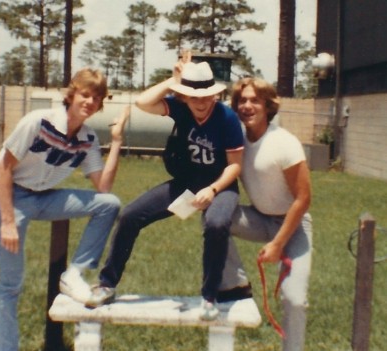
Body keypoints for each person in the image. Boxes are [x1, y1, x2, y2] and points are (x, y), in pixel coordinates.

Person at [84, 55, 245, 321]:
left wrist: (214, 190)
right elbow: (142, 102)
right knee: (130, 215)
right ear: (185, 96)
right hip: (187, 182)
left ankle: (209, 296)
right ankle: (106, 284)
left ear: (215, 96)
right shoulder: (181, 108)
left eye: (206, 97)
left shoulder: (227, 118)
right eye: (194, 97)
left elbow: (235, 166)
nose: (201, 103)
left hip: (220, 185)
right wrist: (173, 81)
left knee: (216, 224)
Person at [0, 67, 130, 351]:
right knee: (11, 284)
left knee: (108, 205)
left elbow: (104, 188)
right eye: (85, 95)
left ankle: (73, 274)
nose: (89, 102)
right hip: (9, 198)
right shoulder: (39, 121)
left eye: (96, 98)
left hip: (44, 198)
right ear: (72, 94)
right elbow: (4, 168)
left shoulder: (87, 138)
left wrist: (116, 141)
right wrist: (7, 221)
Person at [220, 77, 313, 351]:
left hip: (293, 226)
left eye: (255, 100)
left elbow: (303, 198)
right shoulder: (236, 138)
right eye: (242, 101)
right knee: (216, 218)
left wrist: (277, 244)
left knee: (294, 300)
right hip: (259, 219)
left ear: (268, 106)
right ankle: (236, 284)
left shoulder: (284, 142)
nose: (247, 106)